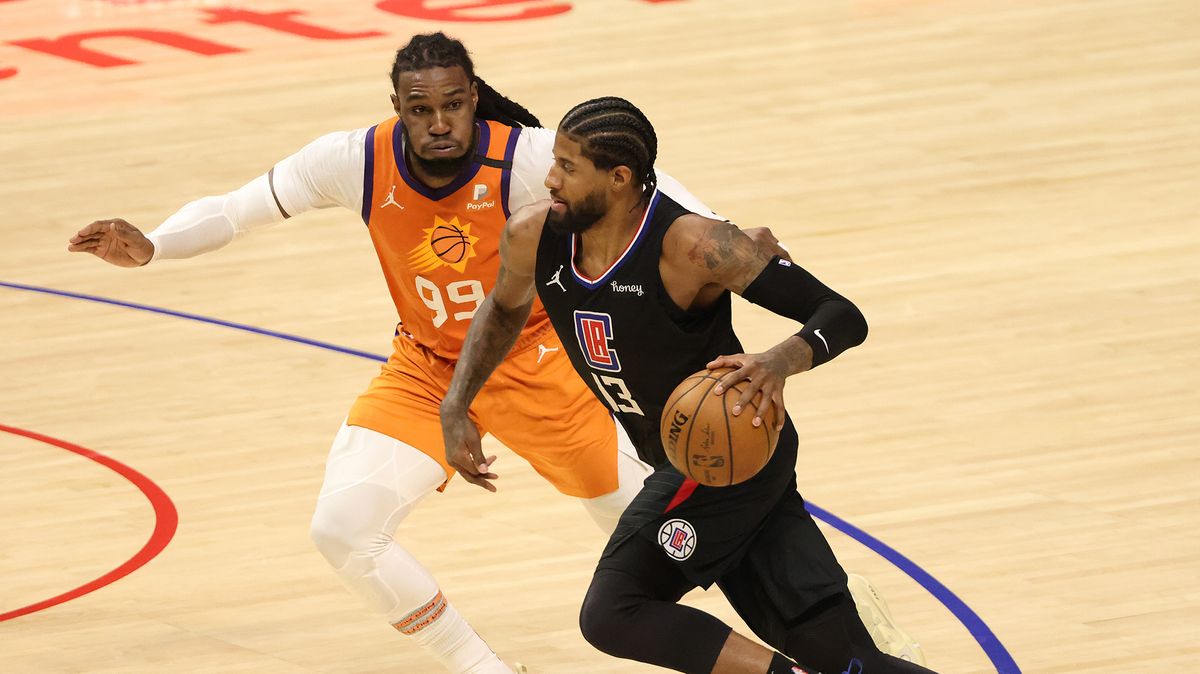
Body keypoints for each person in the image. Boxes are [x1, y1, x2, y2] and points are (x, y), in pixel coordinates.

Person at [440, 96, 936, 674]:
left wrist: (778, 360)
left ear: (619, 178)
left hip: (724, 459)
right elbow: (502, 312)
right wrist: (457, 402)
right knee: (846, 660)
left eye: (569, 167)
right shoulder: (535, 235)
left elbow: (841, 314)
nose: (551, 177)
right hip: (703, 457)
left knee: (612, 612)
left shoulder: (692, 246)